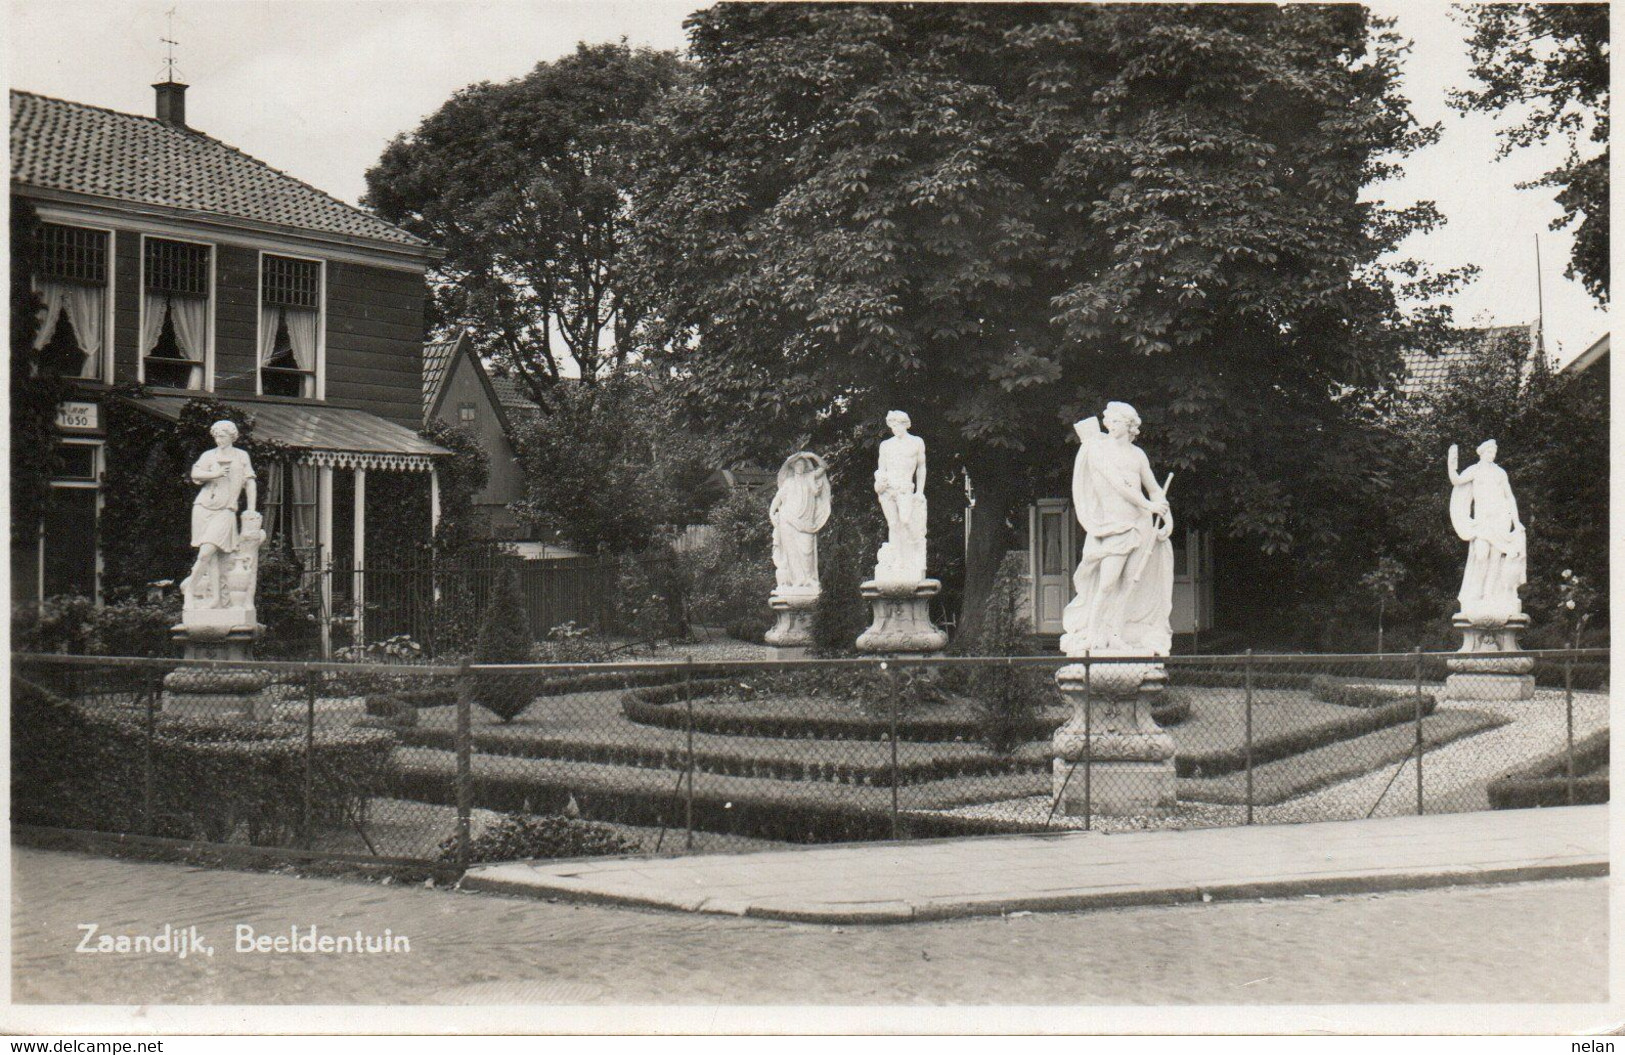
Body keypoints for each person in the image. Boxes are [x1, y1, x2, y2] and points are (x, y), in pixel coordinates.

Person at [1060, 402, 1174, 655]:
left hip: (1140, 524)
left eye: (1117, 421)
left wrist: (1166, 515)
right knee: (1107, 583)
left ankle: (1115, 635)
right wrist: (1149, 504)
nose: (1110, 425)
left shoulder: (1138, 455)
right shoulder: (1100, 451)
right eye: (1108, 421)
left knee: (1128, 584)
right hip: (1113, 526)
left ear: (1130, 425)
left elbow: (1154, 488)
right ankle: (1092, 633)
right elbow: (1121, 485)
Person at [1448, 439, 1526, 622]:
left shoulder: (1500, 473)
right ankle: (1476, 594)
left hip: (1501, 520)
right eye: (1489, 451)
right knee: (1481, 555)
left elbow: (1510, 498)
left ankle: (1489, 595)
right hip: (1483, 521)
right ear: (1482, 453)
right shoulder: (1475, 470)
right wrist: (1451, 463)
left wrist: (1516, 522)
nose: (1492, 454)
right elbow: (1456, 480)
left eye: (1494, 451)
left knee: (1495, 559)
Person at [186, 420, 256, 608]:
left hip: (226, 510)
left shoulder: (241, 456)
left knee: (206, 552)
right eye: (216, 436)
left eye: (222, 435)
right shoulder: (209, 455)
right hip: (203, 507)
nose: (218, 439)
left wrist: (251, 509)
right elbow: (195, 474)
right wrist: (215, 474)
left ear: (232, 436)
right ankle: (215, 599)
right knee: (212, 557)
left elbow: (250, 482)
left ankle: (189, 586)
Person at [770, 452, 831, 592]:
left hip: (806, 522)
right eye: (797, 465)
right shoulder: (788, 482)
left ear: (805, 467)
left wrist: (811, 455)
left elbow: (824, 466)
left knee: (807, 551)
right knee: (791, 552)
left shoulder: (810, 477)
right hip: (788, 519)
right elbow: (778, 499)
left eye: (802, 465)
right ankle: (797, 581)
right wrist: (772, 513)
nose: (800, 467)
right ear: (793, 467)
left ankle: (810, 580)